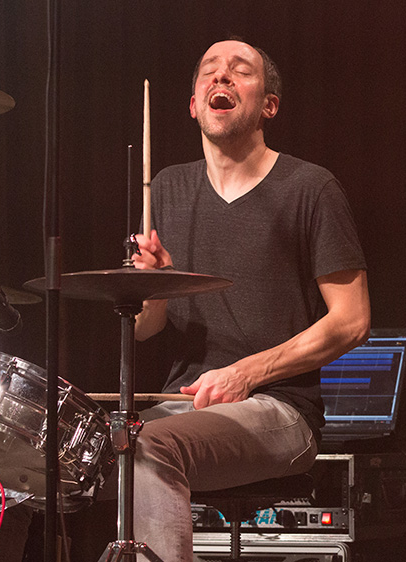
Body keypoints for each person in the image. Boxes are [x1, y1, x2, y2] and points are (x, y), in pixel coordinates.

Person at [124, 38, 371, 561]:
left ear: (269, 105)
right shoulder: (165, 188)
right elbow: (145, 329)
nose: (222, 78)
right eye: (209, 72)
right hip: (183, 405)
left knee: (147, 448)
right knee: (49, 451)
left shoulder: (311, 189)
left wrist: (246, 373)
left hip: (281, 411)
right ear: (194, 104)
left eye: (240, 72)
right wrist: (156, 287)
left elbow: (352, 322)